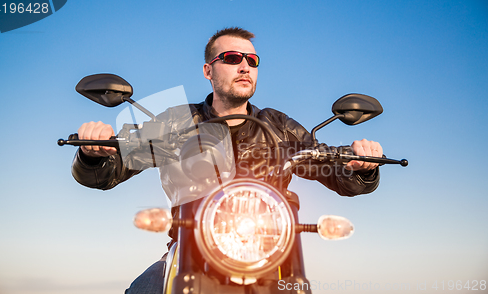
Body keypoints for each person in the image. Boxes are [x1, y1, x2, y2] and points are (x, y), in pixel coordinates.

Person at [71, 27, 383, 294]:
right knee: (146, 288)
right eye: (233, 59)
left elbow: (332, 169)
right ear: (208, 70)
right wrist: (93, 152)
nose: (245, 66)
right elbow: (109, 171)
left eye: (252, 60)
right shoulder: (176, 122)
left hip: (270, 251)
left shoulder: (279, 126)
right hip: (190, 249)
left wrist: (360, 165)